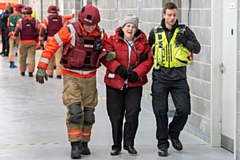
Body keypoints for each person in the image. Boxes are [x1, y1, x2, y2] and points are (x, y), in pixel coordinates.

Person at [35, 5, 113, 159]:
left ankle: (85, 142)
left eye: (93, 25)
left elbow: (107, 49)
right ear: (81, 21)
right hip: (71, 76)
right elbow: (51, 46)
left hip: (90, 78)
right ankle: (75, 144)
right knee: (75, 112)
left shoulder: (101, 34)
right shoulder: (69, 31)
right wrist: (42, 67)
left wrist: (108, 54)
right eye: (87, 25)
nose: (90, 28)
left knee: (89, 114)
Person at [148, 2, 201, 157]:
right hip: (160, 76)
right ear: (164, 15)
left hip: (179, 78)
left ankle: (174, 132)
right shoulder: (155, 32)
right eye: (169, 15)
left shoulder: (184, 31)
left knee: (184, 110)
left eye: (174, 15)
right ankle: (162, 144)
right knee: (160, 111)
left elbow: (197, 48)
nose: (172, 18)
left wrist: (186, 41)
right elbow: (145, 48)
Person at [102, 13, 153, 156]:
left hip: (134, 84)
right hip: (114, 83)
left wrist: (137, 73)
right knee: (116, 115)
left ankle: (129, 143)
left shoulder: (143, 43)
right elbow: (105, 57)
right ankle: (116, 145)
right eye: (128, 26)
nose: (130, 29)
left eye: (133, 26)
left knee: (133, 113)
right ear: (123, 27)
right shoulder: (112, 40)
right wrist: (118, 69)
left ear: (136, 29)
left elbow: (149, 60)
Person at [39, 5, 74, 79]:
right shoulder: (62, 19)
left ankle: (50, 73)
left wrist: (41, 40)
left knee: (50, 57)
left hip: (49, 41)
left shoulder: (46, 19)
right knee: (59, 57)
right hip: (60, 42)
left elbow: (42, 31)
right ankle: (59, 73)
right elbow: (65, 29)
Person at [13, 6, 41, 77]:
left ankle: (22, 71)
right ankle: (31, 71)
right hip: (32, 42)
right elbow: (40, 30)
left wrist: (14, 37)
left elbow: (17, 31)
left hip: (23, 42)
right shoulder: (36, 21)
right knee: (31, 57)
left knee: (22, 56)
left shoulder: (20, 21)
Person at [8, 3, 23, 68]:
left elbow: (8, 25)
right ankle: (21, 63)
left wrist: (11, 32)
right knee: (20, 49)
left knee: (11, 49)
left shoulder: (10, 16)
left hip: (11, 35)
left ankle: (11, 63)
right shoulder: (21, 16)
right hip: (19, 35)